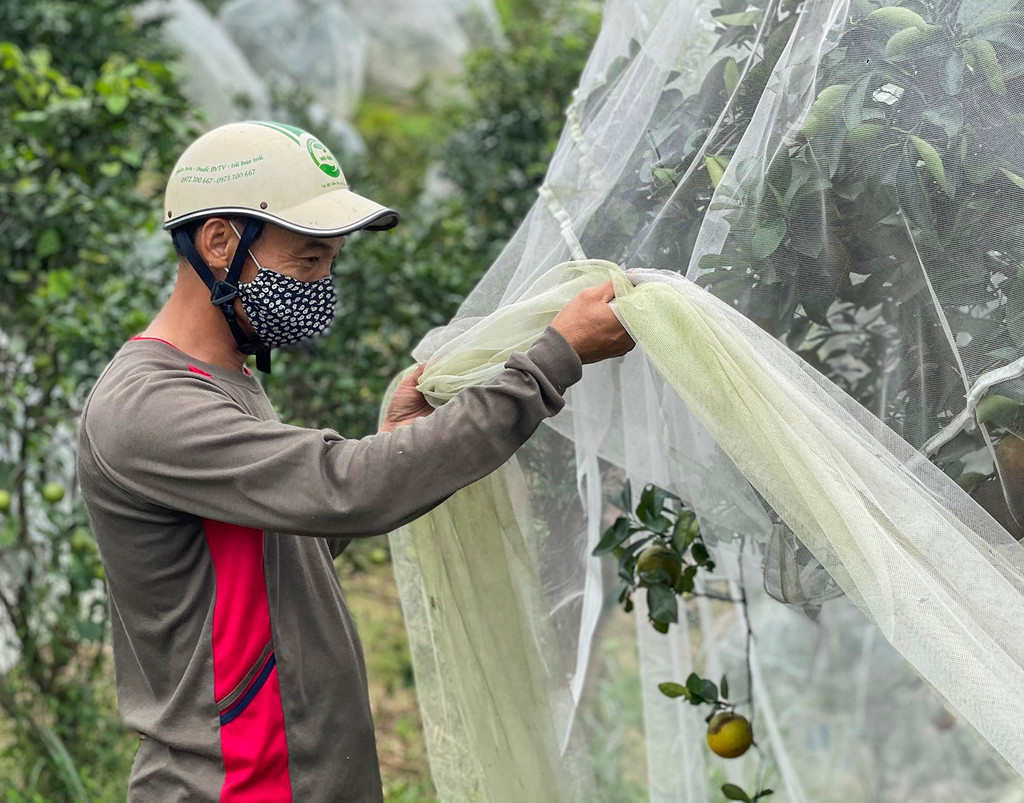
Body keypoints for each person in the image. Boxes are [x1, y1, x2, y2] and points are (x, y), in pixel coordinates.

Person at [76, 121, 634, 802]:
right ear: (219, 242)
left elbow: (274, 553)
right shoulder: (148, 405)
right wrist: (552, 359)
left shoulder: (226, 379)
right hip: (238, 784)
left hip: (299, 775)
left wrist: (392, 436)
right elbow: (350, 488)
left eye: (331, 262)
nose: (323, 283)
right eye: (309, 260)